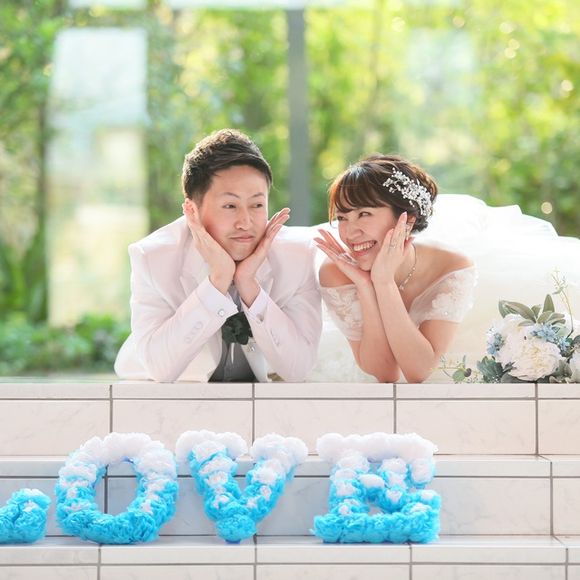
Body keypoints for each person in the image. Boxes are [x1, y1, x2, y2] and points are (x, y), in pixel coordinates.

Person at [115, 129, 321, 383]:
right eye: (230, 206)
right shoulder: (154, 257)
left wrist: (249, 285)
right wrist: (218, 280)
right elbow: (160, 369)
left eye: (257, 205)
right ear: (192, 211)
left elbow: (299, 370)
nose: (246, 222)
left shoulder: (297, 256)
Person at [314, 154, 476, 383]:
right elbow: (385, 373)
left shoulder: (451, 267)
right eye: (342, 217)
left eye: (364, 214)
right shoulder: (336, 271)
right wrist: (366, 286)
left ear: (407, 220)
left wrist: (384, 282)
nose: (349, 233)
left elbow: (418, 372)